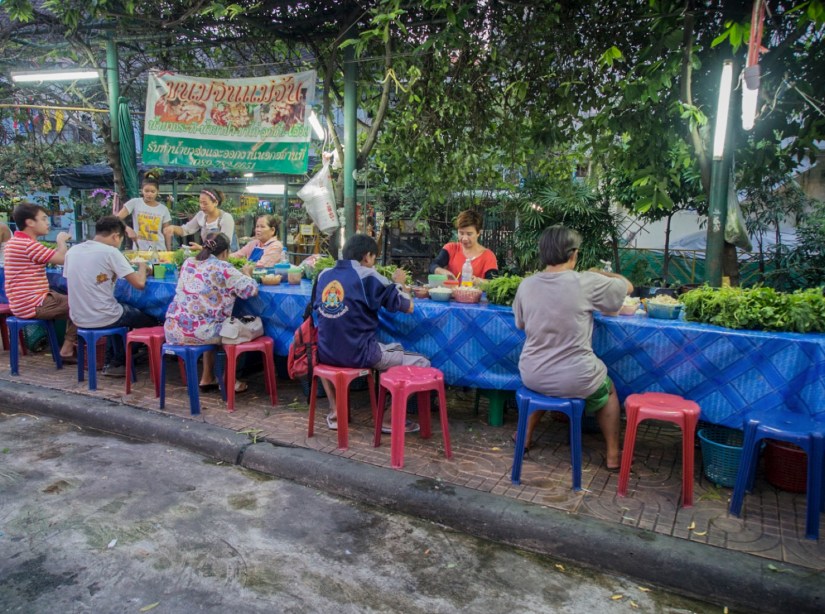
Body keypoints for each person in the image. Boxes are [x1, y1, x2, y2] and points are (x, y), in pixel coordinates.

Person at [512, 225, 632, 471]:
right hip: (575, 378)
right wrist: (602, 273)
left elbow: (521, 324)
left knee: (545, 387)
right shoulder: (586, 281)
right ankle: (612, 455)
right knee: (608, 390)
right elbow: (626, 288)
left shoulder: (526, 285)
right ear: (574, 254)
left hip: (533, 373)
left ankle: (523, 438)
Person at [314, 233, 428, 433]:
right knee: (422, 362)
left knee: (331, 351)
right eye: (374, 258)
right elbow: (408, 306)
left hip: (325, 353)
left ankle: (335, 414)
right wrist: (399, 283)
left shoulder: (323, 275)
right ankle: (389, 419)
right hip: (361, 354)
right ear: (367, 256)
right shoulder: (368, 276)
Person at [63, 216, 159, 377]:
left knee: (118, 310)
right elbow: (139, 284)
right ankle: (118, 361)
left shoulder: (72, 251)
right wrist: (142, 266)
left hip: (77, 317)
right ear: (116, 236)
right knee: (151, 318)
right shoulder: (110, 252)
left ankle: (113, 360)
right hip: (104, 315)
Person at [164, 232, 257, 392]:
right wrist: (248, 274)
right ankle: (230, 380)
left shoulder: (188, 262)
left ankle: (207, 377)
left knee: (212, 322)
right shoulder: (223, 267)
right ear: (226, 252)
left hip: (173, 330)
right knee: (235, 329)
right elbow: (250, 290)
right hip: (201, 332)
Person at [4, 203, 77, 361]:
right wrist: (61, 241)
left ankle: (68, 347)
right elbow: (63, 259)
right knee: (84, 304)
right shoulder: (28, 245)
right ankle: (67, 349)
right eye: (43, 219)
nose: (47, 223)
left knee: (72, 298)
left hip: (20, 303)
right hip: (33, 303)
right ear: (30, 222)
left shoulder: (13, 243)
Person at [429, 210, 498, 283]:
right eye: (461, 233)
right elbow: (433, 266)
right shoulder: (451, 248)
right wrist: (444, 272)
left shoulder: (488, 256)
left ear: (478, 233)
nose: (464, 238)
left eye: (469, 234)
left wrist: (478, 281)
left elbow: (493, 283)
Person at [164, 189, 237, 252]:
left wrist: (201, 248)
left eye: (205, 203)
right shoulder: (201, 215)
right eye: (200, 202)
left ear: (215, 203)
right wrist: (172, 228)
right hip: (209, 256)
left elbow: (225, 245)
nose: (202, 206)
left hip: (227, 258)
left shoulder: (226, 218)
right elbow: (186, 230)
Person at [117, 173, 172, 251]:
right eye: (146, 191)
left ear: (157, 192)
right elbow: (116, 218)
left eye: (153, 191)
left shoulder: (163, 209)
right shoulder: (135, 202)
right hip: (140, 251)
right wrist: (127, 229)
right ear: (141, 190)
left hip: (159, 251)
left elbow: (167, 232)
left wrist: (169, 252)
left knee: (155, 264)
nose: (149, 194)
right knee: (141, 263)